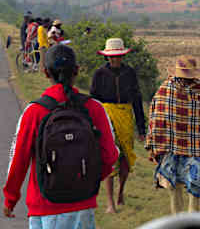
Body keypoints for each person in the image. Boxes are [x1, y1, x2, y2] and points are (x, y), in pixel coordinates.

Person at [2, 44, 118, 228]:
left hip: (43, 205)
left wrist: (10, 198)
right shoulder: (94, 108)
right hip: (83, 206)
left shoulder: (34, 111)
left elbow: (18, 160)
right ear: (77, 71)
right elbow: (111, 155)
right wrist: (87, 181)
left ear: (45, 72)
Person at [145, 55, 200, 214]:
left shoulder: (197, 93)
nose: (186, 81)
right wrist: (157, 143)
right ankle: (179, 222)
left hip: (193, 148)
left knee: (193, 188)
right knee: (175, 188)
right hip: (172, 146)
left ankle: (189, 223)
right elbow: (157, 117)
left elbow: (199, 122)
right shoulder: (167, 90)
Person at [91, 38, 146, 214]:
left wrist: (141, 128)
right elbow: (93, 101)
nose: (115, 60)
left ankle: (121, 192)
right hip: (106, 117)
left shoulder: (129, 73)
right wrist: (93, 125)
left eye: (118, 56)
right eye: (111, 57)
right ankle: (110, 203)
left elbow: (137, 99)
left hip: (125, 116)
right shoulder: (99, 74)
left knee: (126, 158)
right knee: (109, 158)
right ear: (107, 57)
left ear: (122, 56)